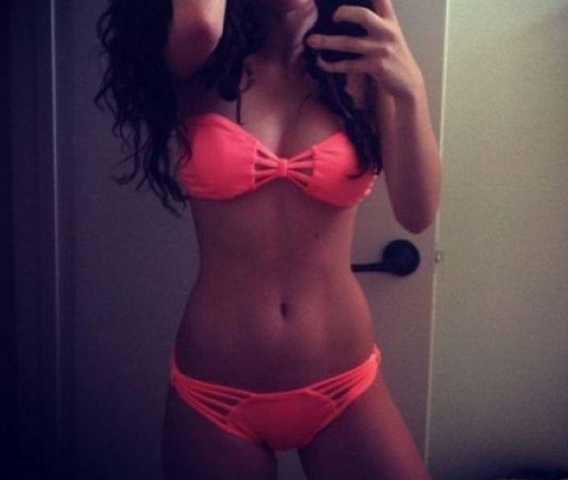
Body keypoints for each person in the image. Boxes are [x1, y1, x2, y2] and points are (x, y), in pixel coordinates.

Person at [94, 0, 441, 478]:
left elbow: (417, 214)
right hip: (215, 395)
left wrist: (411, 89)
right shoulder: (199, 58)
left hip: (345, 384)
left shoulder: (364, 62)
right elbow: (201, 22)